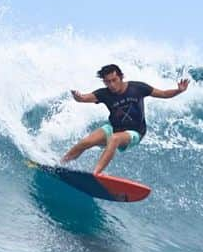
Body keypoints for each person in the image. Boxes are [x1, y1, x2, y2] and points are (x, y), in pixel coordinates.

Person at [62, 64, 190, 175]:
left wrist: (179, 91)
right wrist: (77, 96)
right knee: (85, 142)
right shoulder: (104, 93)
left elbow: (163, 94)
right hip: (113, 127)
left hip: (135, 132)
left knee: (115, 138)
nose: (111, 85)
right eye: (107, 82)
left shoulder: (137, 88)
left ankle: (96, 174)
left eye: (114, 80)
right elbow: (83, 98)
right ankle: (61, 165)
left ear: (121, 77)